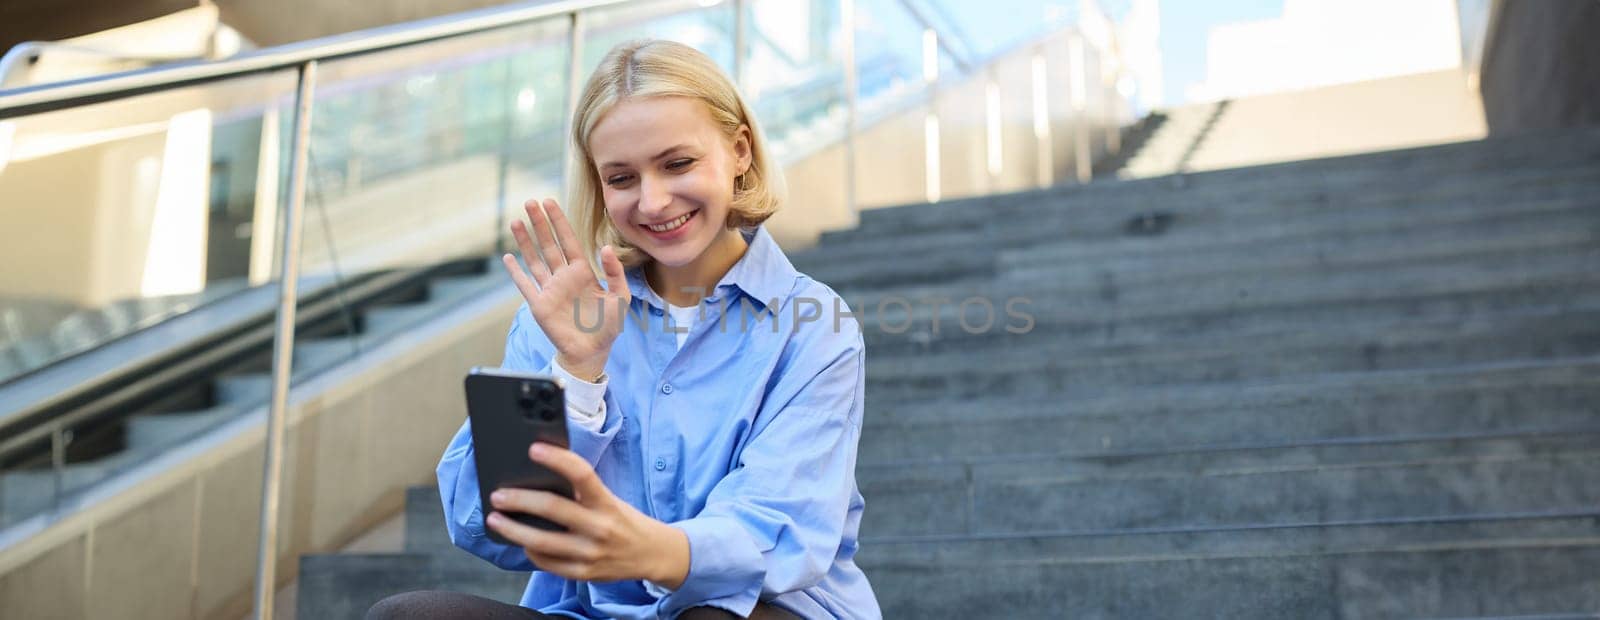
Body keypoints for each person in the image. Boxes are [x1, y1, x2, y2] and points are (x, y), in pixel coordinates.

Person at [367, 39, 880, 619]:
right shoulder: (566, 316)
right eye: (622, 178)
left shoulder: (813, 325)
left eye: (677, 163)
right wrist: (576, 375)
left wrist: (645, 549)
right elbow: (480, 523)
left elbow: (782, 527)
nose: (653, 201)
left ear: (739, 151)